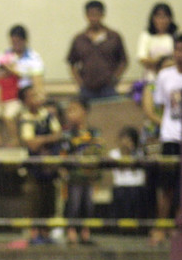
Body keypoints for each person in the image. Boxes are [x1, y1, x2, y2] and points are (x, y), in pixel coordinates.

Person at [149, 33, 182, 246]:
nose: (179, 54)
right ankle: (160, 228)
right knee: (165, 186)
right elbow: (163, 105)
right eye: (177, 49)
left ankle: (181, 228)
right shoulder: (165, 75)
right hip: (170, 137)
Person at [0, 25, 45, 147]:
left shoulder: (34, 58)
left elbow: (38, 85)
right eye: (13, 41)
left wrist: (13, 71)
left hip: (22, 98)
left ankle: (14, 143)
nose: (16, 44)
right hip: (3, 97)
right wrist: (5, 72)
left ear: (25, 40)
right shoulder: (2, 57)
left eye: (19, 41)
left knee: (9, 116)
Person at [18, 85, 62, 244]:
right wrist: (47, 139)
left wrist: (42, 139)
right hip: (34, 169)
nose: (35, 99)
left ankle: (46, 233)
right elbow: (31, 144)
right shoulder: (25, 118)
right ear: (25, 101)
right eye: (30, 96)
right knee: (34, 201)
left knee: (49, 201)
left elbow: (58, 135)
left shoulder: (48, 116)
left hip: (50, 168)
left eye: (36, 95)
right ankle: (34, 234)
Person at [67, 0, 128, 101]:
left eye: (97, 14)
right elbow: (72, 63)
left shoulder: (114, 37)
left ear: (103, 15)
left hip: (108, 88)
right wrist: (80, 83)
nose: (94, 18)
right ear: (86, 16)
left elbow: (123, 61)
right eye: (91, 14)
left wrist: (115, 79)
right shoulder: (79, 39)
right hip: (86, 89)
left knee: (110, 115)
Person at [61, 98, 103, 244]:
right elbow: (64, 154)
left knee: (88, 204)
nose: (70, 114)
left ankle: (86, 231)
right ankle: (71, 230)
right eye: (69, 111)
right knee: (74, 203)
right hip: (74, 177)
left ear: (84, 111)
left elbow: (97, 151)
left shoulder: (94, 133)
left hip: (90, 176)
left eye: (74, 110)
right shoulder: (68, 134)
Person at [108, 126, 147, 220]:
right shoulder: (113, 154)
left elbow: (135, 170)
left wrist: (132, 152)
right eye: (124, 139)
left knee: (135, 193)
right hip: (120, 185)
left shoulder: (139, 154)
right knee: (122, 194)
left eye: (129, 140)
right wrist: (124, 153)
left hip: (136, 186)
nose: (125, 142)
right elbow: (119, 170)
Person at [137, 3, 178, 82]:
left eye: (165, 17)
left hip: (170, 79)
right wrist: (159, 62)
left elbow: (177, 59)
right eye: (158, 16)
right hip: (151, 79)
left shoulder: (174, 36)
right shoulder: (146, 36)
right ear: (153, 18)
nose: (161, 20)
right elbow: (142, 58)